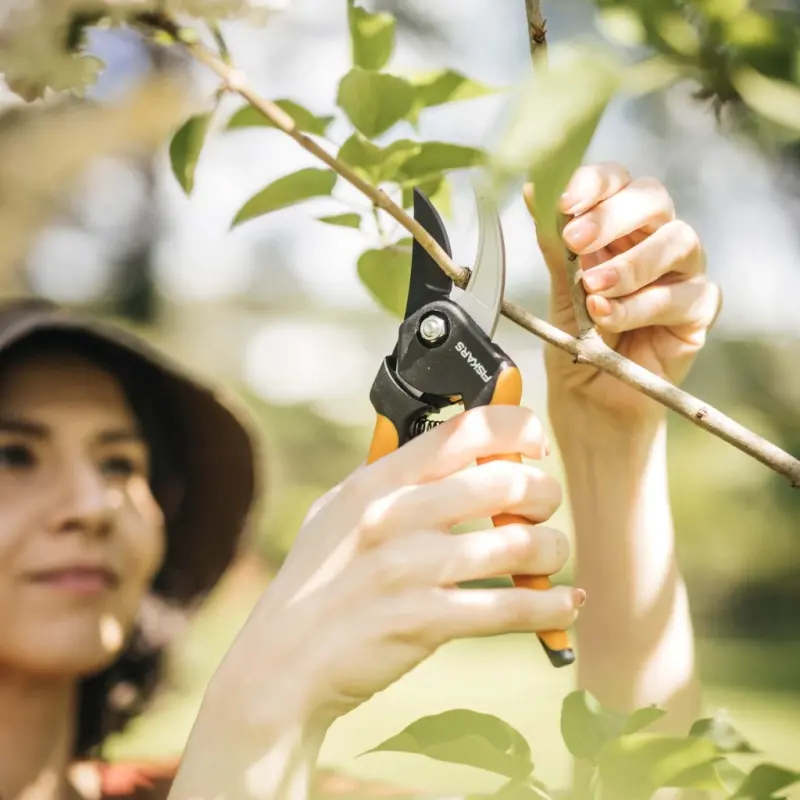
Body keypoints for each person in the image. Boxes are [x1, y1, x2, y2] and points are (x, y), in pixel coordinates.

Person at [0, 162, 721, 800]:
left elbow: (650, 789)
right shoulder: (249, 751)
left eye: (122, 462)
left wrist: (611, 443)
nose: (94, 505)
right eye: (13, 455)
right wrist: (264, 702)